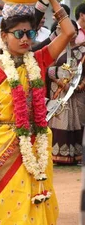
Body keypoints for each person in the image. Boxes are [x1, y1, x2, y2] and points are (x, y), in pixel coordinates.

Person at [0, 0, 75, 225]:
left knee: (36, 205)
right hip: (5, 144)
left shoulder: (39, 60)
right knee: (5, 208)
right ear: (4, 35)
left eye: (30, 33)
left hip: (36, 146)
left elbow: (69, 32)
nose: (25, 38)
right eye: (18, 33)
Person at [47, 19, 84, 164]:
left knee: (75, 121)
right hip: (58, 90)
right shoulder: (55, 49)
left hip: (76, 92)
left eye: (74, 30)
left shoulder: (82, 50)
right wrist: (61, 83)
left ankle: (74, 155)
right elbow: (48, 69)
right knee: (59, 119)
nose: (72, 33)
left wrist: (78, 86)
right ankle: (57, 155)